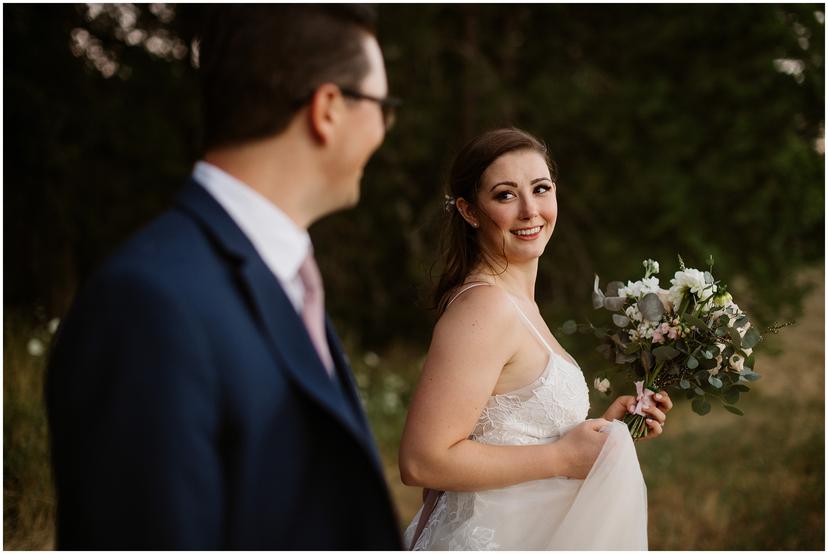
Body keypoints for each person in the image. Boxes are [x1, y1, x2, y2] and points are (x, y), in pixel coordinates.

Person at [46, 5, 403, 549]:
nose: (386, 127)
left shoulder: (283, 276)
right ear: (327, 109)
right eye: (384, 106)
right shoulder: (148, 304)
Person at [399, 128, 673, 550]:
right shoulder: (486, 308)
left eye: (540, 189)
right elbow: (423, 460)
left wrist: (606, 432)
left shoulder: (521, 306)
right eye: (506, 195)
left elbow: (514, 436)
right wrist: (562, 457)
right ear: (471, 212)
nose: (530, 210)